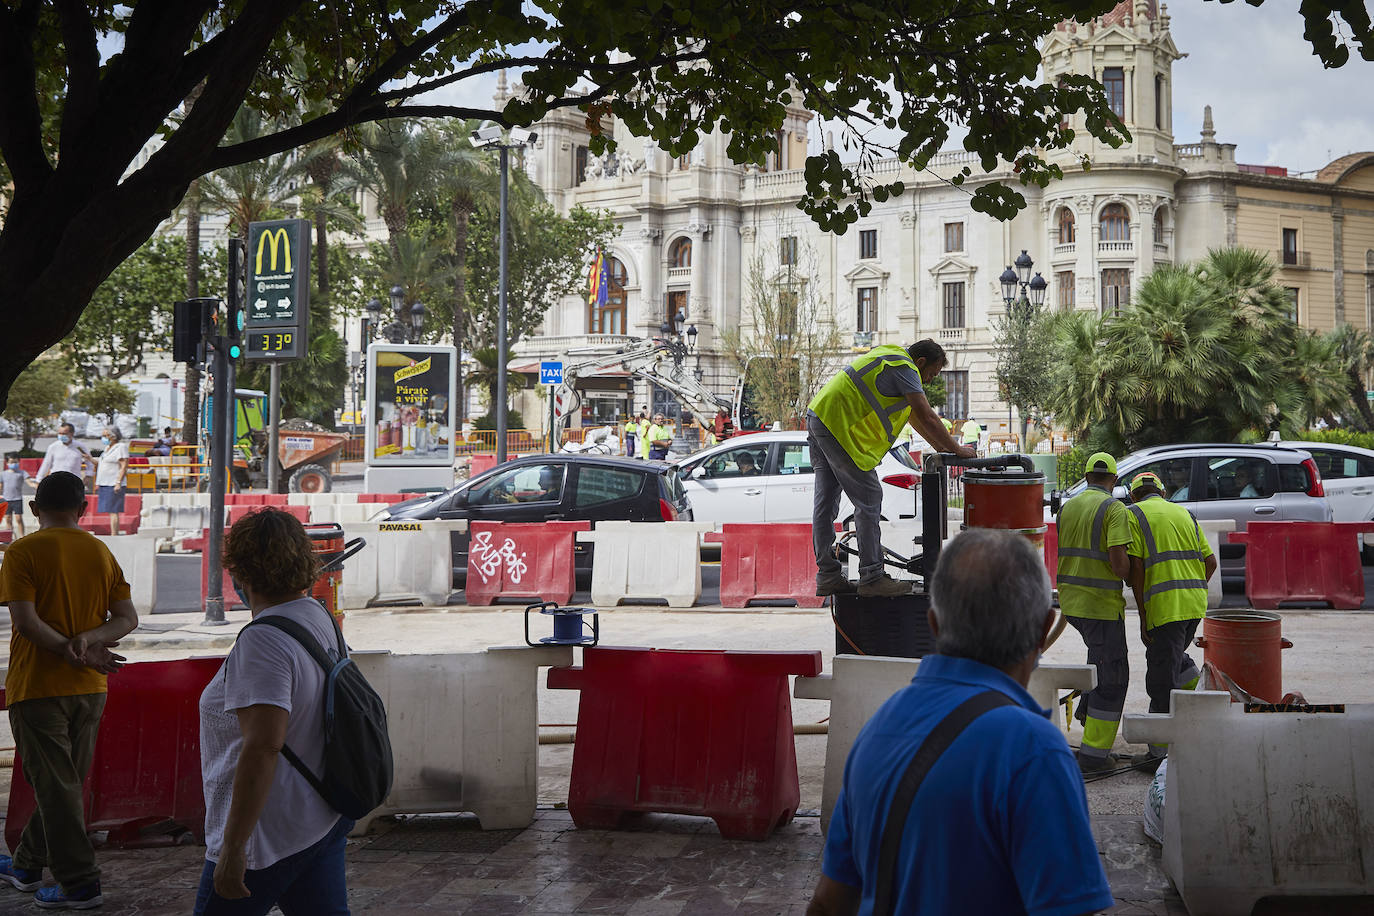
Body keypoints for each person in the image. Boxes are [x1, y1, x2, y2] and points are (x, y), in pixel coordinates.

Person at [807, 529, 1115, 916]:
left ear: (934, 625)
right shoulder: (1034, 750)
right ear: (1043, 630)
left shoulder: (879, 728)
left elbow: (828, 903)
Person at [195, 509, 352, 915]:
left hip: (266, 836)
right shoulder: (317, 616)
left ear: (240, 573)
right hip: (319, 815)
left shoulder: (263, 641)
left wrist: (233, 849)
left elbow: (263, 746)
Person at [0, 471, 138, 909]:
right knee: (62, 785)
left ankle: (80, 883)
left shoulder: (22, 551)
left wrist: (70, 649)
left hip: (38, 686)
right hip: (91, 688)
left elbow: (25, 622)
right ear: (83, 510)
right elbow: (126, 618)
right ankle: (26, 866)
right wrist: (90, 643)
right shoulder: (100, 552)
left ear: (35, 509)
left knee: (56, 786)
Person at [808, 339, 976, 598]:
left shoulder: (890, 357)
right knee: (869, 499)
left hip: (820, 416)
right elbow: (928, 415)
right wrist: (958, 449)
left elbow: (917, 420)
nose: (930, 381)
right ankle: (872, 577)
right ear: (920, 362)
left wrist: (942, 449)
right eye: (931, 374)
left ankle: (828, 575)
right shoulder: (904, 367)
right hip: (838, 426)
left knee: (826, 503)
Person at [1125, 471, 1217, 772]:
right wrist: (1192, 589)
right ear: (1162, 493)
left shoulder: (1134, 514)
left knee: (1160, 680)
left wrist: (1142, 615)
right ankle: (1199, 690)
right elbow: (1210, 562)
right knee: (1173, 658)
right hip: (1192, 605)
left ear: (1134, 495)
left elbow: (1136, 569)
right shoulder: (1184, 513)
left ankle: (1158, 756)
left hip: (1165, 609)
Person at [1056, 452, 1133, 773]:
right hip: (1100, 606)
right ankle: (1094, 757)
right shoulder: (1114, 509)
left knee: (1099, 664)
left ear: (1087, 477)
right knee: (1113, 679)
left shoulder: (1067, 507)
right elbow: (1119, 565)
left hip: (1072, 604)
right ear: (1113, 480)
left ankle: (1088, 721)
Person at [36, 424, 94, 491]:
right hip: (55, 483)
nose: (61, 436)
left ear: (72, 433)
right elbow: (46, 464)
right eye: (59, 433)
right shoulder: (53, 447)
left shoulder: (80, 447)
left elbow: (90, 462)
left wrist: (88, 476)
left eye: (64, 433)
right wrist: (39, 480)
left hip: (74, 484)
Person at [95, 427, 129, 536]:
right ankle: (113, 533)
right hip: (104, 483)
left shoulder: (121, 447)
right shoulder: (106, 449)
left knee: (114, 510)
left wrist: (118, 482)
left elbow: (124, 465)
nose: (104, 438)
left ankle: (115, 534)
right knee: (109, 510)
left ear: (113, 436)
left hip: (113, 483)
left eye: (106, 435)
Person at [3, 453, 30, 539]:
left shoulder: (22, 473)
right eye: (11, 462)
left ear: (18, 461)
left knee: (18, 519)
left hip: (17, 499)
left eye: (15, 462)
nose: (13, 464)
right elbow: (0, 486)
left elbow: (29, 482)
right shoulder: (3, 474)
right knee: (8, 519)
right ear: (7, 463)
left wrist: (35, 485)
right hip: (6, 499)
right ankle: (8, 538)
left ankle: (22, 536)